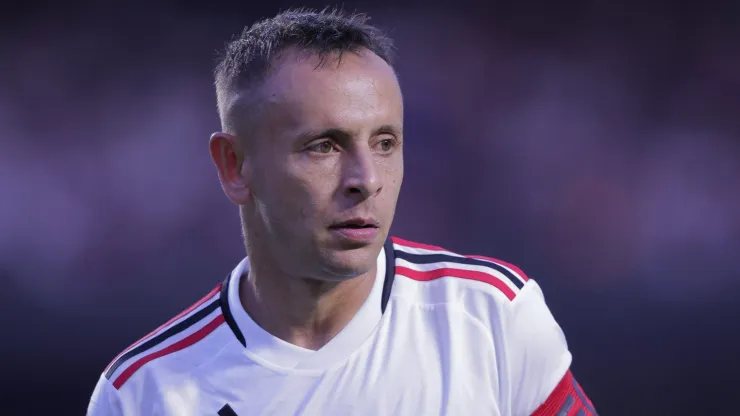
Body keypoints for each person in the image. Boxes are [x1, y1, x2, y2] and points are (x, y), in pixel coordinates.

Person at [87, 8, 597, 416]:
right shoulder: (141, 396)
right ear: (235, 165)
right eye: (324, 146)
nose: (366, 179)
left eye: (384, 142)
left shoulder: (492, 319)